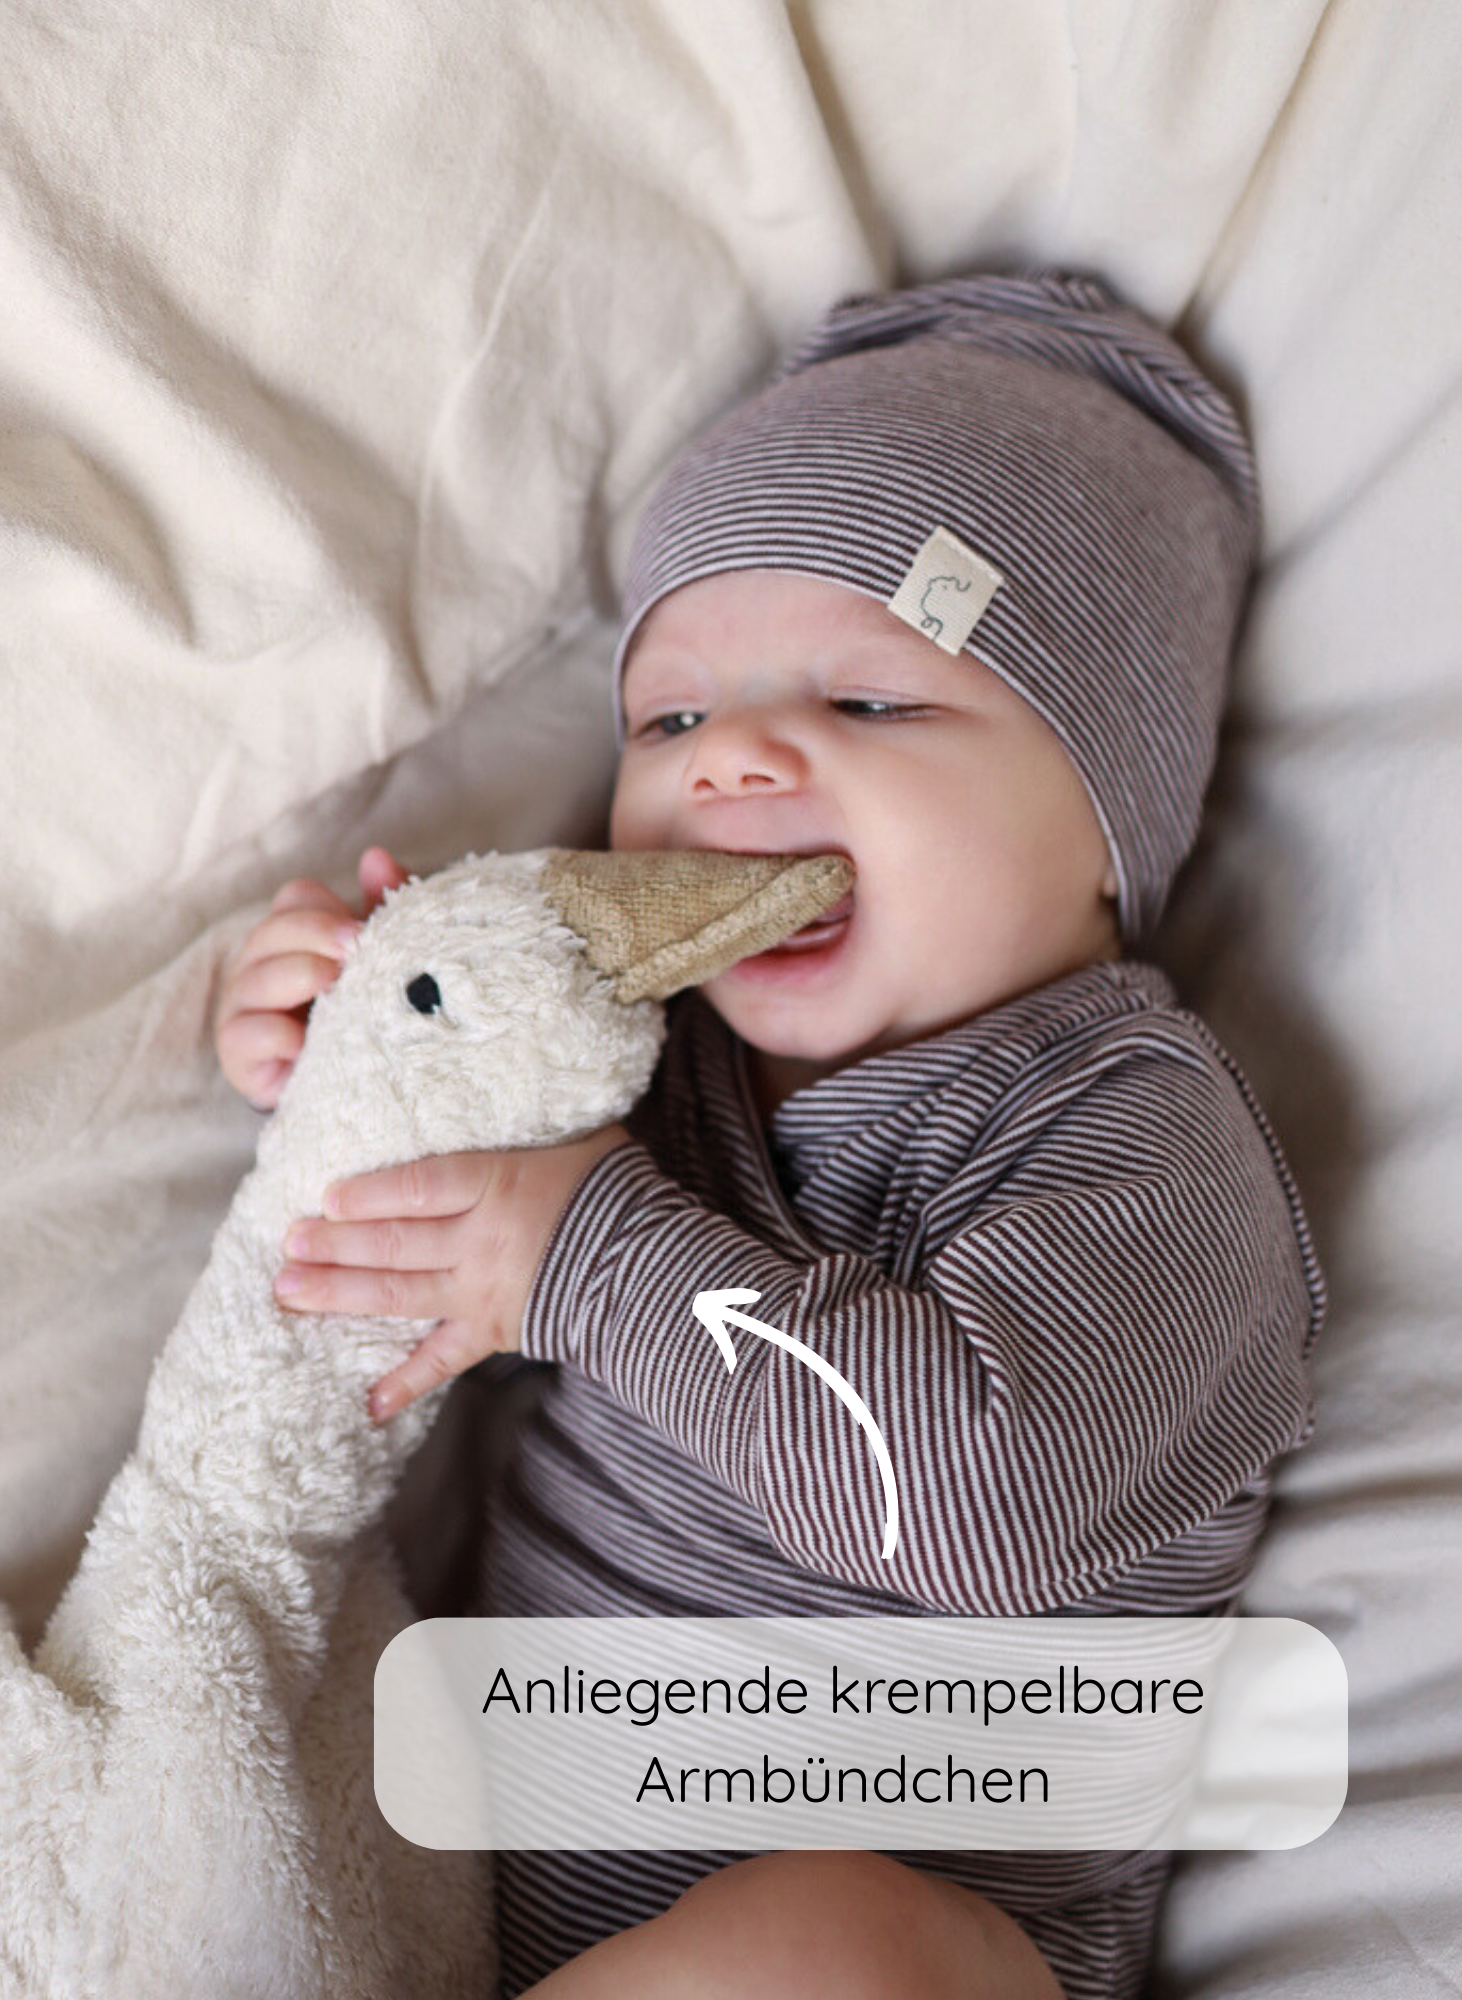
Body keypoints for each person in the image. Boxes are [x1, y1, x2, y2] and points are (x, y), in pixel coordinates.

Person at [213, 270, 1327, 2000]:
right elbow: (397, 1261)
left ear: (1107, 820)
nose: (732, 762)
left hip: (943, 1924)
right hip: (515, 1894)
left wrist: (586, 1256)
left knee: (830, 1934)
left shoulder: (1134, 1133)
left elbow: (990, 1490)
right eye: (670, 719)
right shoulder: (643, 1055)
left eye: (872, 702)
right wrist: (343, 1043)